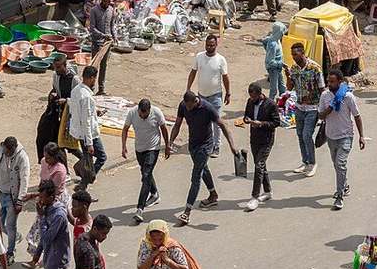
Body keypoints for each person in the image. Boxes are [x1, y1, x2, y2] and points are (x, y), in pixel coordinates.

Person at [170, 92, 236, 225]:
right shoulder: (183, 105)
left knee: (196, 177)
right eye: (186, 107)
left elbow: (223, 125)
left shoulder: (208, 108)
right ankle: (213, 195)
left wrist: (232, 146)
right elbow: (177, 124)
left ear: (196, 101)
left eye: (190, 106)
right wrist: (170, 142)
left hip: (206, 146)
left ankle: (187, 212)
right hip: (193, 145)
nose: (188, 109)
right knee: (203, 168)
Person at [317, 69, 365, 211]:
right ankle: (344, 185)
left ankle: (339, 196)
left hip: (346, 136)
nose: (329, 84)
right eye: (328, 81)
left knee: (340, 163)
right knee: (336, 165)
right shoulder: (325, 96)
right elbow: (320, 116)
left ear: (340, 81)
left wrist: (361, 136)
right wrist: (330, 108)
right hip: (331, 136)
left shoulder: (348, 97)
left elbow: (357, 116)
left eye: (332, 81)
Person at [120, 98, 170, 218]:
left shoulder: (156, 113)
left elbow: (164, 129)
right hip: (139, 149)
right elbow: (125, 129)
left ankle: (139, 209)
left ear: (149, 110)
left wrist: (167, 145)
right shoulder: (132, 113)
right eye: (141, 113)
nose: (143, 116)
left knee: (146, 175)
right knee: (145, 173)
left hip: (153, 148)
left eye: (145, 114)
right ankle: (154, 194)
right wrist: (123, 146)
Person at [184, 35, 231, 149]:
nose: (209, 47)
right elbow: (193, 72)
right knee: (203, 122)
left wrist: (228, 93)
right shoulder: (199, 57)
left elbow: (225, 77)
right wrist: (188, 88)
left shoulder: (221, 60)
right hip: (201, 97)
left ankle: (216, 146)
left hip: (215, 96)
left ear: (216, 45)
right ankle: (205, 143)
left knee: (216, 122)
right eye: (208, 45)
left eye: (212, 45)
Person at [241, 82, 281, 212]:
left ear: (260, 94)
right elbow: (247, 115)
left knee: (259, 166)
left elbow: (276, 122)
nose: (252, 99)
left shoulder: (271, 105)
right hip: (254, 139)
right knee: (261, 166)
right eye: (250, 97)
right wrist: (247, 120)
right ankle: (268, 191)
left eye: (254, 97)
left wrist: (261, 124)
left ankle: (255, 196)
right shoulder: (250, 102)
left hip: (266, 140)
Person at [287, 43, 324, 174]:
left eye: (295, 54)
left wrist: (321, 108)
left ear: (302, 53)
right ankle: (305, 161)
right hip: (299, 107)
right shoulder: (294, 68)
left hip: (312, 108)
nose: (293, 57)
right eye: (292, 55)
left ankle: (312, 163)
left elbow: (322, 89)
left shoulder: (315, 68)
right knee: (299, 135)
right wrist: (287, 75)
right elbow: (290, 87)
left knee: (307, 135)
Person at [66, 66, 105, 188]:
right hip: (88, 134)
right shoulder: (86, 96)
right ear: (92, 78)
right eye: (94, 79)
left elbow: (76, 110)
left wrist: (95, 111)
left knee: (88, 159)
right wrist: (89, 143)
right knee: (102, 157)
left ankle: (84, 180)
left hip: (79, 132)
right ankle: (84, 182)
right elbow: (86, 121)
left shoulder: (76, 90)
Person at [0, 137, 29, 246]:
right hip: (0, 193)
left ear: (14, 148)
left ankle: (10, 251)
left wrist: (20, 200)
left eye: (9, 152)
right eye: (5, 151)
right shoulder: (0, 150)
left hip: (13, 197)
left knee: (10, 226)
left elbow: (24, 179)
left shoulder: (22, 157)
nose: (7, 153)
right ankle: (16, 237)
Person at [261, 20, 288, 101]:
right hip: (273, 68)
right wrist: (281, 64)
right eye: (282, 32)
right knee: (274, 89)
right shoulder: (273, 44)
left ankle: (283, 102)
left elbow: (264, 41)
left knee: (282, 87)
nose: (283, 34)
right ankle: (270, 104)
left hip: (278, 67)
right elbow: (270, 61)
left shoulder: (275, 39)